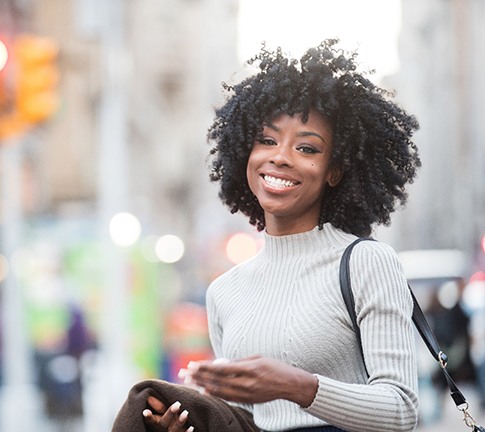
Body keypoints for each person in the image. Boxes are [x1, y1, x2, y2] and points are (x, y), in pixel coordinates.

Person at [137, 39, 422, 432]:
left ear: (334, 171)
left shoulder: (365, 263)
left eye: (306, 147)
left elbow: (401, 410)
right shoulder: (224, 292)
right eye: (267, 140)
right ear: (244, 153)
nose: (280, 156)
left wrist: (296, 386)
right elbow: (244, 423)